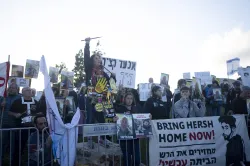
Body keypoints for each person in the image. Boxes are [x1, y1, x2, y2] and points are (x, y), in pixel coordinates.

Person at [84, 37, 116, 147]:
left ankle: (103, 139)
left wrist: (113, 77)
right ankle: (88, 139)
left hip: (100, 99)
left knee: (102, 118)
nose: (99, 60)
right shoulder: (89, 69)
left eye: (100, 58)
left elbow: (111, 83)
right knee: (90, 118)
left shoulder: (103, 72)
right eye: (97, 58)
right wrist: (87, 44)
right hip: (90, 97)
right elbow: (86, 57)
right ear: (93, 60)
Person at [9, 87, 43, 166]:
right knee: (19, 147)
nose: (29, 91)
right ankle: (15, 163)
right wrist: (15, 114)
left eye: (30, 90)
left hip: (33, 128)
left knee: (34, 147)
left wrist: (38, 115)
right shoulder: (17, 101)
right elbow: (10, 112)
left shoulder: (36, 102)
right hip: (21, 128)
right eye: (27, 90)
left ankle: (34, 163)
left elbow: (40, 111)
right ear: (23, 92)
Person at [114, 92, 141, 166]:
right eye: (128, 98)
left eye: (131, 98)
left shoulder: (136, 108)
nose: (129, 100)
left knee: (137, 159)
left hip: (135, 137)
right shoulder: (120, 108)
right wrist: (115, 118)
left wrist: (148, 117)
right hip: (124, 138)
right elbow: (113, 117)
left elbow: (142, 117)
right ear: (124, 99)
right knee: (127, 158)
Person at [0, 83, 21, 165]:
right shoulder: (3, 98)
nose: (11, 89)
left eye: (13, 88)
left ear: (17, 89)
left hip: (15, 125)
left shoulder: (20, 98)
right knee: (2, 144)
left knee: (13, 146)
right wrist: (1, 105)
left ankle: (12, 162)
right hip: (4, 124)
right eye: (10, 88)